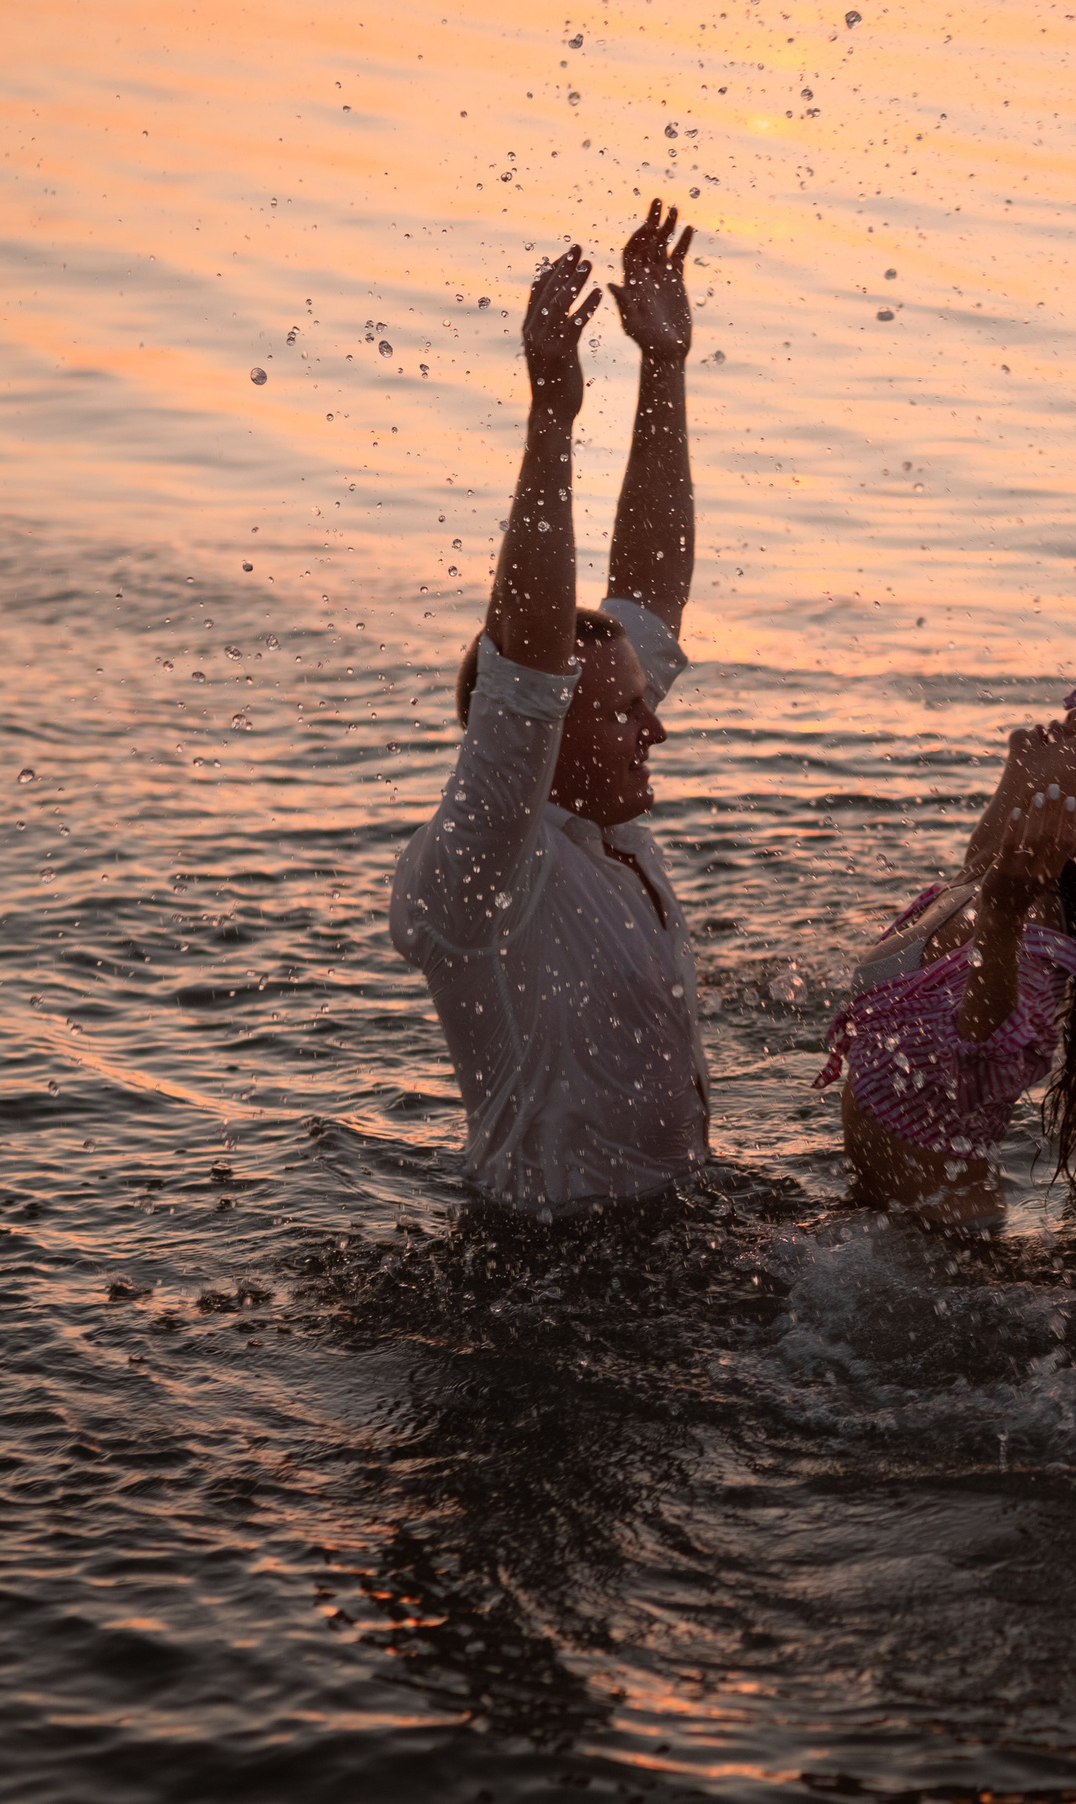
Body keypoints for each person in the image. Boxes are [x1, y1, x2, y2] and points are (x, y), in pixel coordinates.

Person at [389, 202, 708, 1211]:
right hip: (547, 1271)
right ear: (538, 739)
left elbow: (649, 591)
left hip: (665, 1234)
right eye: (621, 711)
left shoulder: (603, 824)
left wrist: (664, 368)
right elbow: (523, 669)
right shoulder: (487, 869)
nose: (653, 723)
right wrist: (549, 422)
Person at [815, 534, 1076, 1227]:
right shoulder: (986, 873)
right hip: (881, 1225)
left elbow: (996, 1045)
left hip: (940, 1258)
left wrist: (1006, 916)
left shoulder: (1031, 938)